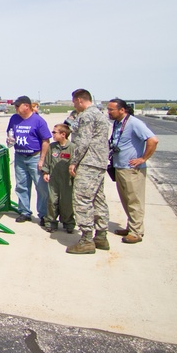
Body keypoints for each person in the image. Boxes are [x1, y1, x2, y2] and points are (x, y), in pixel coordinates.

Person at [66, 88, 111, 254]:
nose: (74, 105)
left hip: (88, 162)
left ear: (79, 100)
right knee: (98, 198)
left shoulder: (86, 115)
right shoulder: (100, 114)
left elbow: (83, 142)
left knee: (82, 199)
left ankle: (86, 239)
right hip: (99, 162)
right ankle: (101, 235)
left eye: (74, 102)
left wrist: (74, 162)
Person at [107, 98, 158, 244]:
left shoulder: (134, 123)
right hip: (120, 167)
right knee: (126, 200)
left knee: (135, 200)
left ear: (122, 110)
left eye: (111, 110)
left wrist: (143, 158)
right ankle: (131, 227)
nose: (108, 112)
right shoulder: (118, 123)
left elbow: (153, 140)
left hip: (132, 169)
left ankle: (136, 232)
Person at [6, 95, 51, 225]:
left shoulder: (38, 121)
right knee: (21, 185)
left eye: (17, 106)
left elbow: (46, 141)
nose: (15, 108)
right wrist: (9, 140)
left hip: (35, 157)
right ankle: (24, 212)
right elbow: (9, 132)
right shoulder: (14, 119)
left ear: (26, 106)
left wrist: (42, 160)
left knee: (41, 186)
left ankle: (43, 214)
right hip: (20, 157)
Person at [39, 123, 75, 233]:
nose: (52, 134)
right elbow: (47, 160)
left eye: (55, 132)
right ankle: (50, 222)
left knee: (67, 202)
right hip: (54, 179)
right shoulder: (52, 147)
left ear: (63, 134)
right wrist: (45, 172)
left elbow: (75, 162)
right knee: (52, 201)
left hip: (67, 180)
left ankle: (68, 223)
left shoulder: (72, 147)